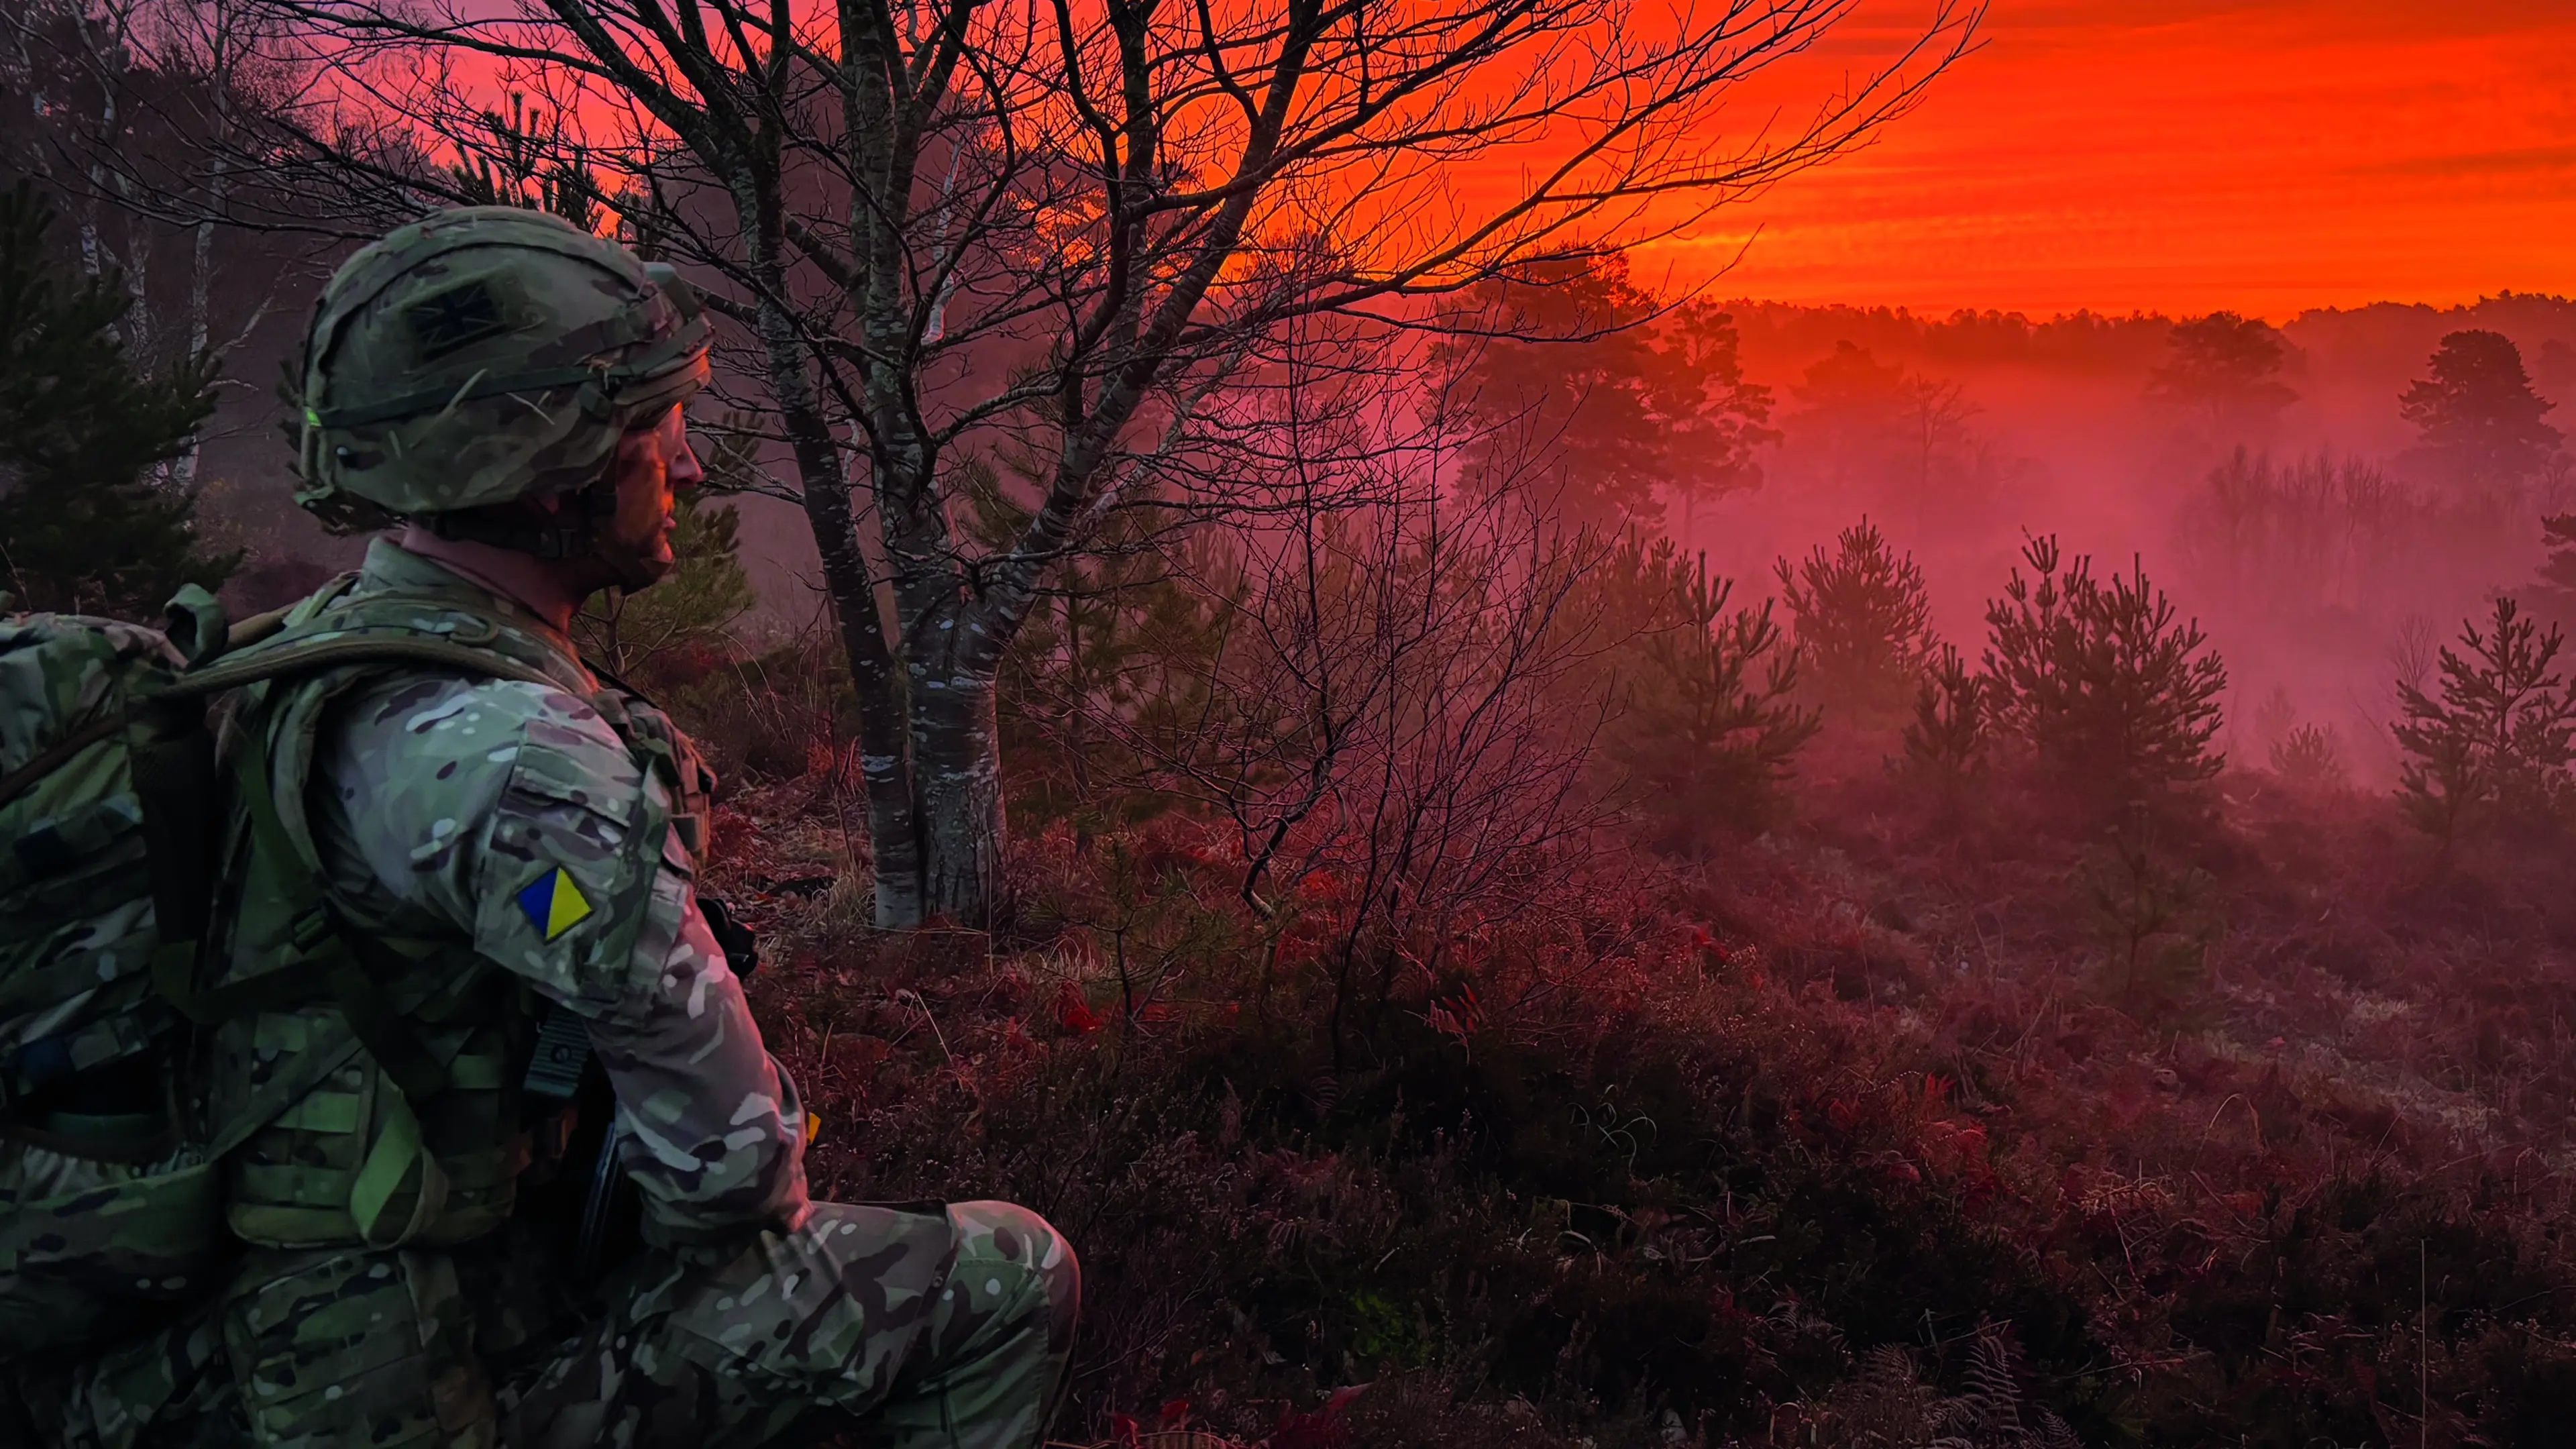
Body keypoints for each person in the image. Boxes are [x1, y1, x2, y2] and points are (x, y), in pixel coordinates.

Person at [11, 207, 1078, 1448]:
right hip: (380, 1387)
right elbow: (733, 1176)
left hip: (165, 1365)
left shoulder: (282, 668)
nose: (688, 468)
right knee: (1008, 1276)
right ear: (558, 467)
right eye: (655, 428)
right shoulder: (523, 771)